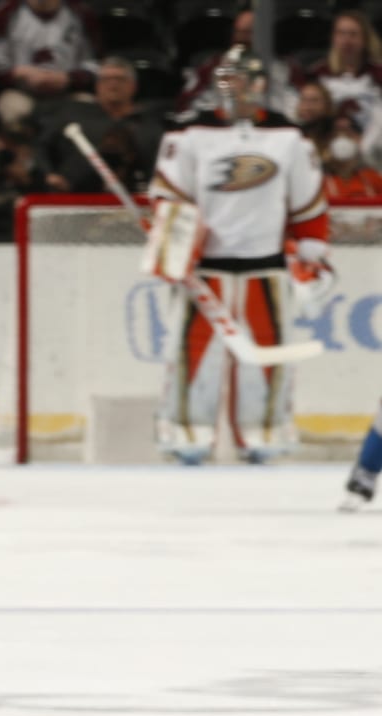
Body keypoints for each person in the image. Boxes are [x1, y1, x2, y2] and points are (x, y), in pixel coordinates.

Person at [148, 49, 328, 464]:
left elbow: (308, 204)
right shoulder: (189, 135)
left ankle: (263, 434)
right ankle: (186, 434)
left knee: (269, 353)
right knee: (189, 353)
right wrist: (172, 244)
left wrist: (312, 253)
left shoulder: (289, 138)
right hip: (205, 269)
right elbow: (170, 200)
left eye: (247, 80)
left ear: (263, 85)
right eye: (231, 80)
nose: (240, 89)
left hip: (265, 268)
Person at [39, 56, 163, 193]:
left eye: (120, 79)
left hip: (132, 199)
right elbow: (41, 146)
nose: (113, 85)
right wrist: (48, 175)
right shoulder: (73, 114)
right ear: (97, 86)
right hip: (72, 197)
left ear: (133, 86)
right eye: (106, 79)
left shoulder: (149, 124)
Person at [0, 0, 99, 126]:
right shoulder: (5, 14)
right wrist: (18, 73)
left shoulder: (81, 14)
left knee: (87, 105)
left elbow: (96, 64)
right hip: (21, 92)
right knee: (13, 109)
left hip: (68, 93)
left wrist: (69, 78)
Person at [321, 110, 382, 198]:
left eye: (348, 134)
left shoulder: (372, 179)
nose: (342, 140)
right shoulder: (318, 181)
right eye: (336, 134)